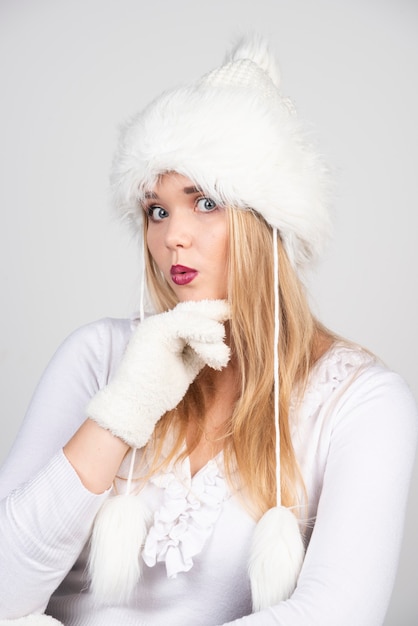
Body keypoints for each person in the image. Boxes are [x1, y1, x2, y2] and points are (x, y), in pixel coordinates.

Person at [0, 35, 417, 626]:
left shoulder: (362, 402)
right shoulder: (97, 355)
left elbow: (339, 613)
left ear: (270, 224)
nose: (172, 235)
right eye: (157, 209)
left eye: (206, 201)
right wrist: (122, 412)